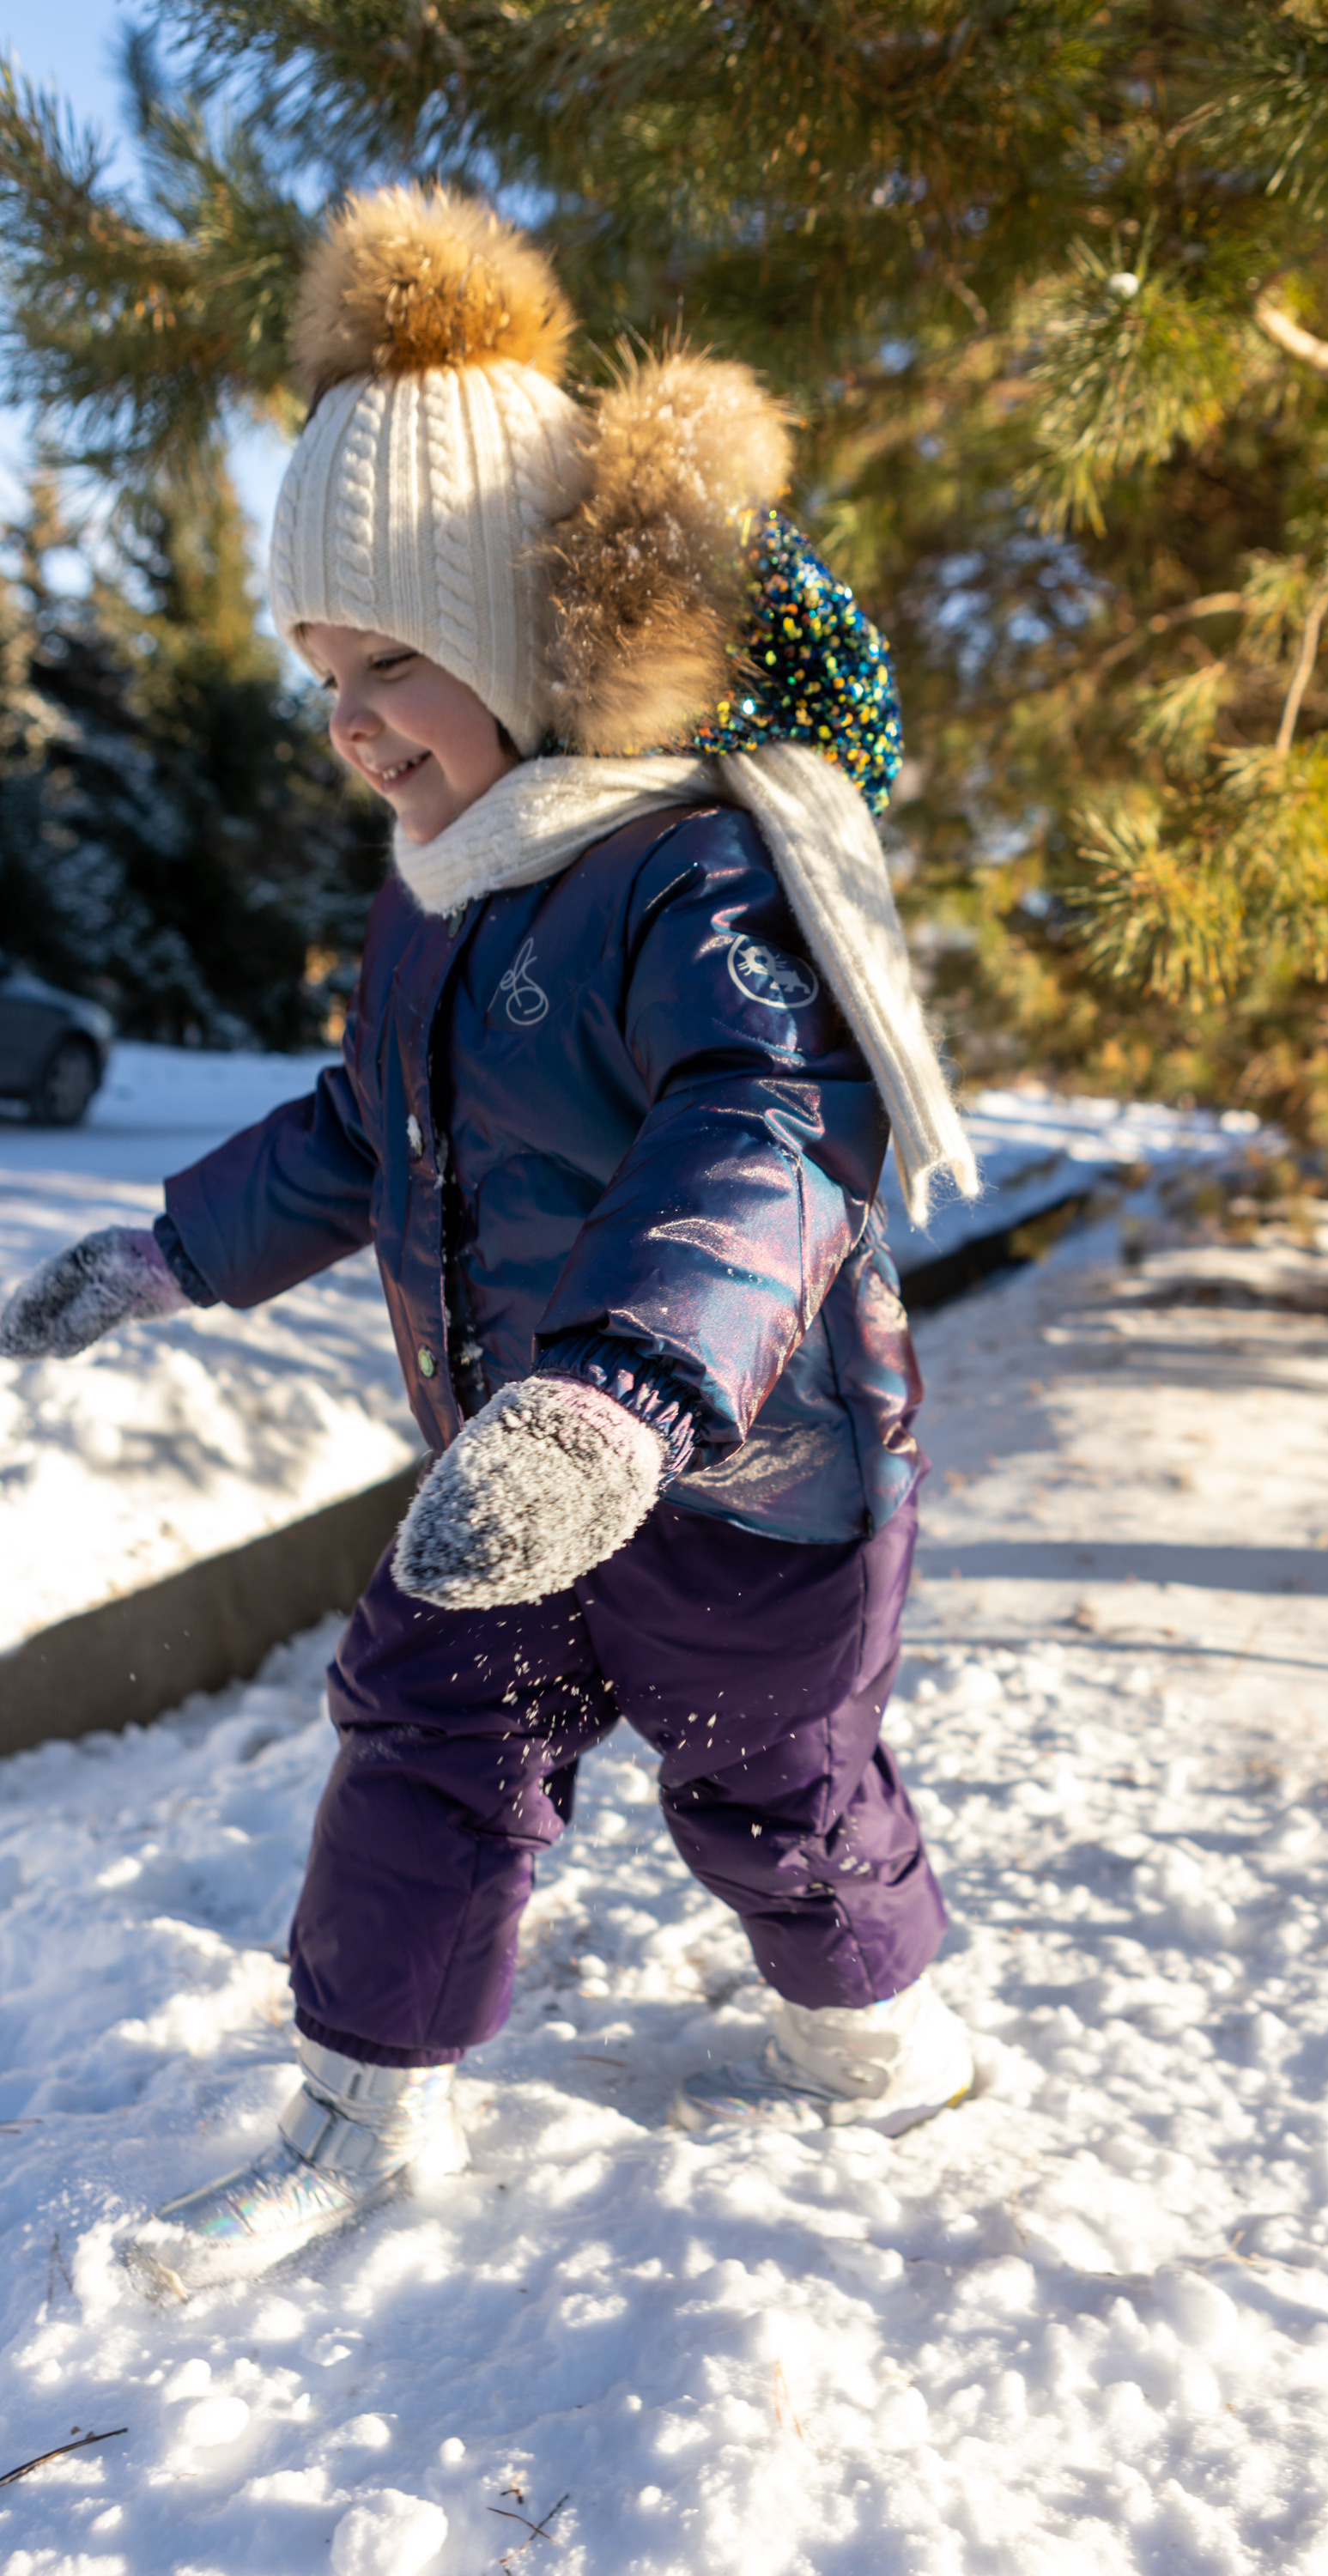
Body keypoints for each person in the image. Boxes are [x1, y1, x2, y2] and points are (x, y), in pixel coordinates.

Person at [0, 185, 979, 2294]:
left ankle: (873, 2032)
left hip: (746, 1482)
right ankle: (364, 2102)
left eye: (389, 663)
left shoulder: (694, 880)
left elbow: (771, 1131)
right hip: (498, 1487)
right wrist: (166, 1255)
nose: (349, 723)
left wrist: (623, 1390)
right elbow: (373, 1126)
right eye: (321, 673)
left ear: (537, 649)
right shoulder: (437, 887)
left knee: (777, 1795)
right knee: (421, 1734)